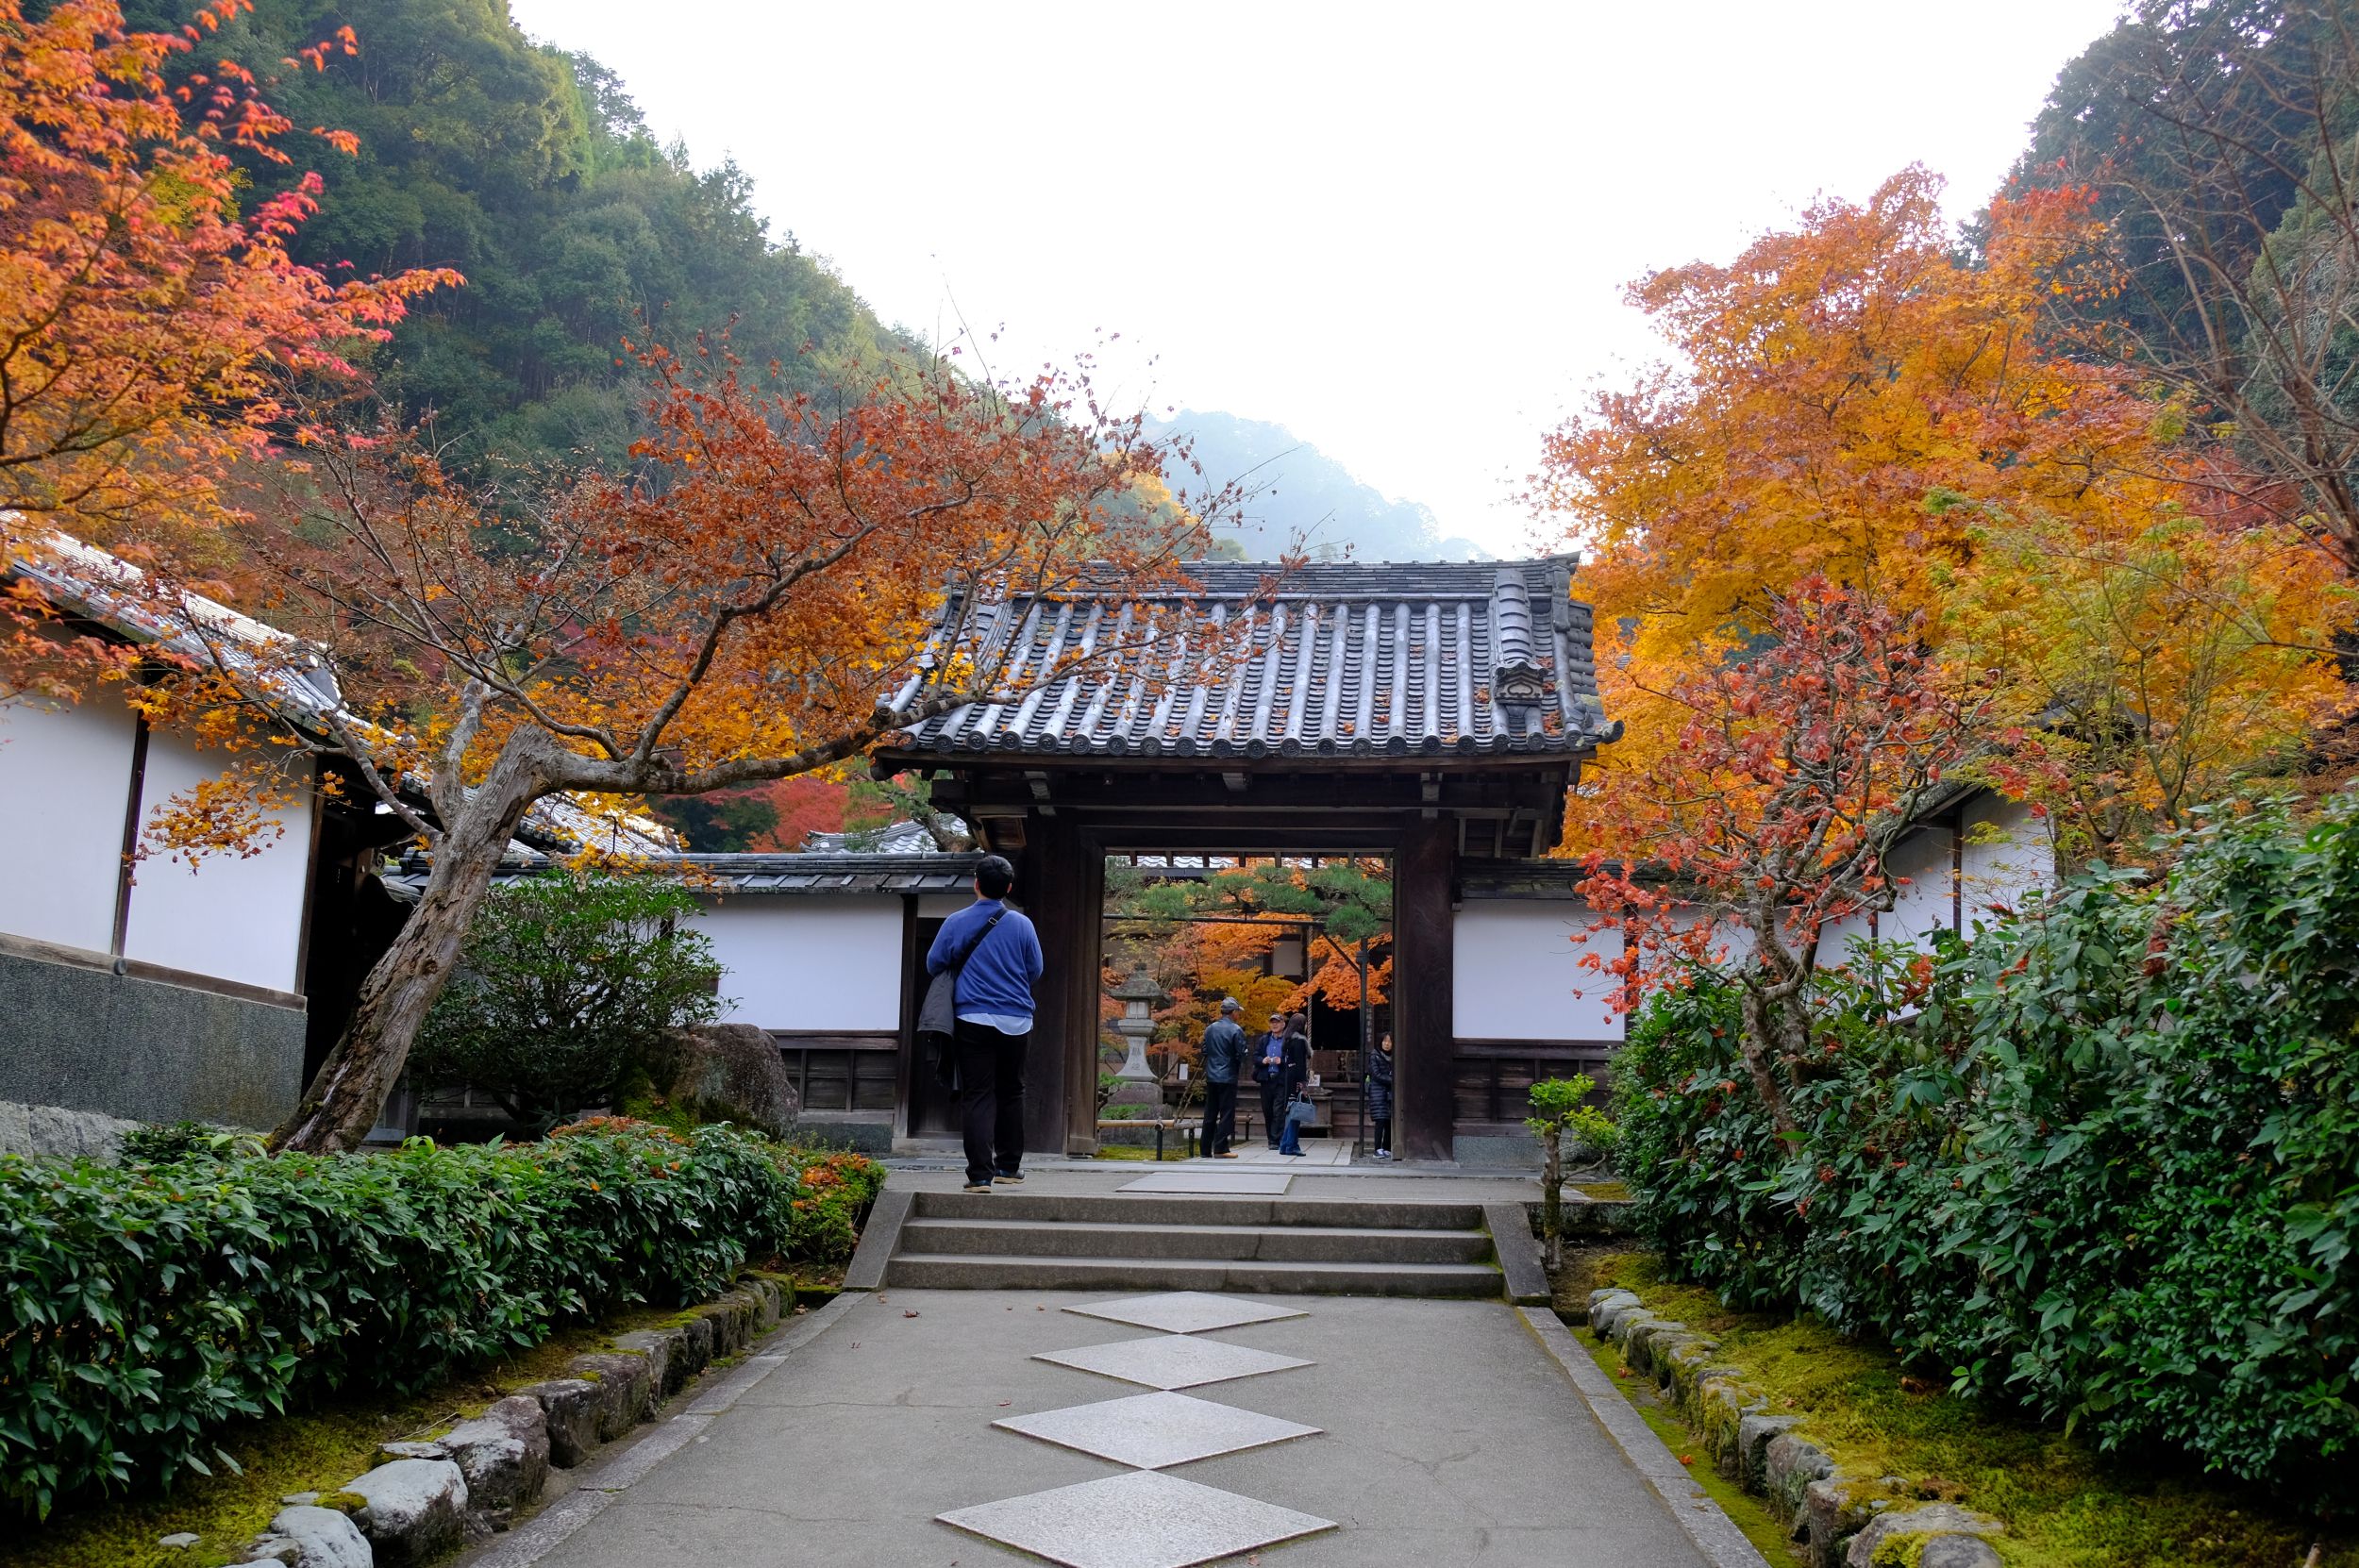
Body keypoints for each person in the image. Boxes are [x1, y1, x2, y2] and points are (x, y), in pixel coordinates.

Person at [925, 855, 1044, 1193]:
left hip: (972, 1016)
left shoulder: (955, 922)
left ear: (975, 883)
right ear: (1008, 887)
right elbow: (1035, 970)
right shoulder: (1023, 925)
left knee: (978, 1094)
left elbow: (934, 964)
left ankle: (979, 1175)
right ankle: (1009, 1166)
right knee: (1012, 1091)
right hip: (1017, 1019)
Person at [1197, 997, 1248, 1159]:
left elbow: (1204, 1050)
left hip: (1212, 1074)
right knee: (1227, 1112)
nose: (1238, 1015)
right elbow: (1241, 1053)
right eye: (1237, 1012)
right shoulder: (1236, 1029)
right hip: (1228, 1075)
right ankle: (1220, 1147)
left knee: (1210, 1112)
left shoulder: (1210, 1029)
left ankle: (1205, 1148)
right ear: (1233, 1012)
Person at [1275, 1012, 1313, 1157]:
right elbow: (1300, 1065)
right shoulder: (1299, 1040)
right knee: (1296, 1112)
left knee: (1290, 1111)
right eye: (1305, 1023)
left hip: (1289, 1077)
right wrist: (1303, 1085)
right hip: (1297, 1078)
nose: (1306, 1026)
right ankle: (1292, 1145)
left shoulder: (1288, 1039)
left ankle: (1285, 1145)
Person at [1254, 1010, 1288, 1148]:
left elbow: (1294, 1058)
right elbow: (1255, 1057)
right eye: (1272, 1022)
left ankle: (1276, 1140)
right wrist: (1263, 1060)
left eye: (1277, 1022)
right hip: (1266, 1078)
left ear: (1283, 1024)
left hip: (1281, 1079)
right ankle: (1271, 1138)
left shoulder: (1288, 1040)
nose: (1274, 1025)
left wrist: (1283, 1060)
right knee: (1267, 1110)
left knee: (1278, 1110)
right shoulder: (1264, 1040)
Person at [1364, 1032, 1397, 1160]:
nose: (1387, 1044)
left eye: (1389, 1041)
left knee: (1389, 1121)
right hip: (1378, 1092)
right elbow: (1376, 1075)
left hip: (1389, 1093)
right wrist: (1393, 1080)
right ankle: (1377, 1149)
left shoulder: (1394, 1057)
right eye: (1384, 1041)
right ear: (1380, 1042)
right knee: (1380, 1121)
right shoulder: (1375, 1056)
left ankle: (1387, 1148)